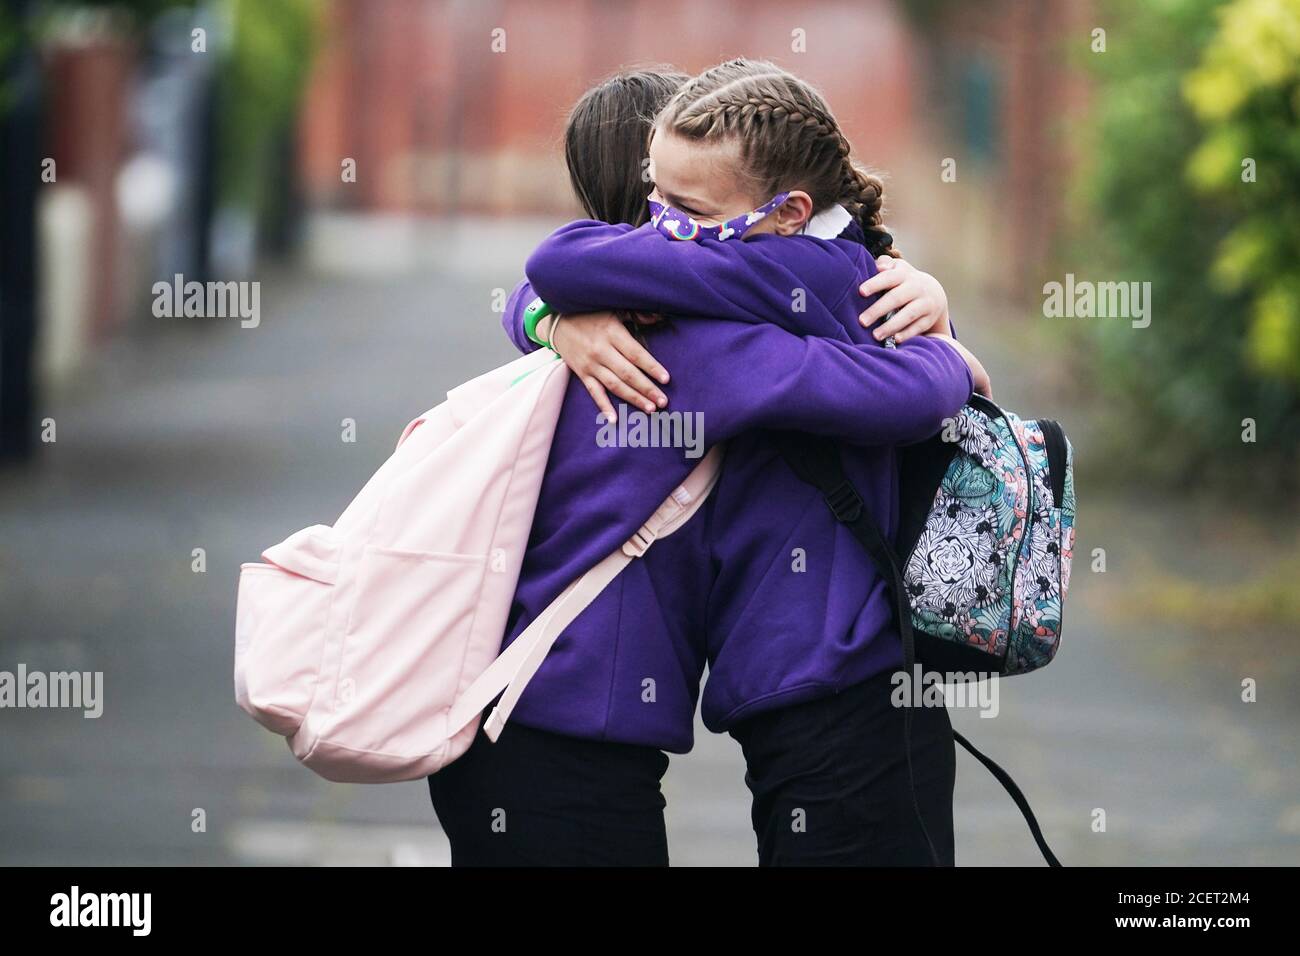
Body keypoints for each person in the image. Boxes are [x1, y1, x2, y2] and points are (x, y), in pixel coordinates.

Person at [428, 63, 984, 866]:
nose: (665, 228)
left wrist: (545, 318)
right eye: (656, 204)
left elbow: (555, 266)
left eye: (683, 208)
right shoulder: (726, 319)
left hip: (546, 718)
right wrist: (953, 356)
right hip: (728, 710)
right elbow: (895, 386)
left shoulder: (685, 320)